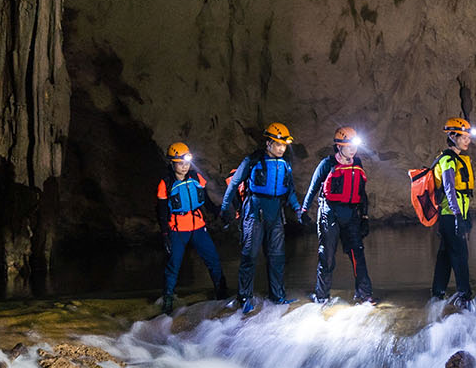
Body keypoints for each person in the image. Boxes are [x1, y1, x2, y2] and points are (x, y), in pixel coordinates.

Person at [298, 127, 374, 304]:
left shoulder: (358, 163)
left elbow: (362, 193)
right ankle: (322, 296)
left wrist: (365, 217)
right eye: (348, 146)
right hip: (329, 214)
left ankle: (364, 294)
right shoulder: (327, 164)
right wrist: (304, 210)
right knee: (327, 256)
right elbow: (313, 188)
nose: (352, 150)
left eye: (354, 146)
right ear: (339, 146)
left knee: (358, 254)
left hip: (351, 214)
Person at [228, 122, 297, 312]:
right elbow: (234, 184)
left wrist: (298, 209)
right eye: (278, 144)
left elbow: (289, 189)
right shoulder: (252, 160)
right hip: (254, 211)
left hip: (275, 213)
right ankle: (244, 297)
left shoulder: (285, 164)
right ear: (268, 143)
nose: (282, 148)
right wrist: (225, 207)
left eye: (284, 145)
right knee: (250, 255)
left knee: (277, 257)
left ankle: (278, 296)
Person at [157, 141, 228, 314]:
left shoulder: (196, 178)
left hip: (198, 227)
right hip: (177, 229)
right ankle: (168, 299)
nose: (184, 166)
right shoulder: (165, 183)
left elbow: (207, 201)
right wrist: (165, 233)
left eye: (187, 162)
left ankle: (222, 294)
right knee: (174, 264)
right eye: (180, 163)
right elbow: (161, 211)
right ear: (172, 163)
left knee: (213, 260)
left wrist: (219, 212)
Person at [431, 118, 476, 304]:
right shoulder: (448, 160)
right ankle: (464, 295)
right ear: (452, 136)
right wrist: (458, 216)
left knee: (446, 255)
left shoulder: (458, 158)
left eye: (468, 137)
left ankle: (437, 292)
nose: (467, 140)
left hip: (455, 214)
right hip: (450, 215)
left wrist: (465, 215)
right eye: (463, 137)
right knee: (460, 254)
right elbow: (449, 188)